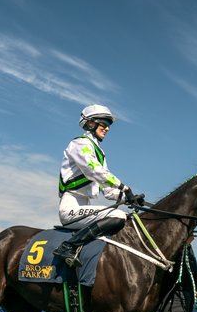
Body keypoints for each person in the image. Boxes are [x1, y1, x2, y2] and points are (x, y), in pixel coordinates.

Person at [53, 104, 145, 268]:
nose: (107, 128)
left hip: (84, 207)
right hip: (71, 208)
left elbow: (108, 190)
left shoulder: (100, 153)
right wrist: (126, 188)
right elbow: (92, 170)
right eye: (103, 124)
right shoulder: (80, 144)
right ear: (90, 123)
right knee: (118, 216)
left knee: (127, 217)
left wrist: (129, 198)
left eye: (108, 125)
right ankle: (69, 246)